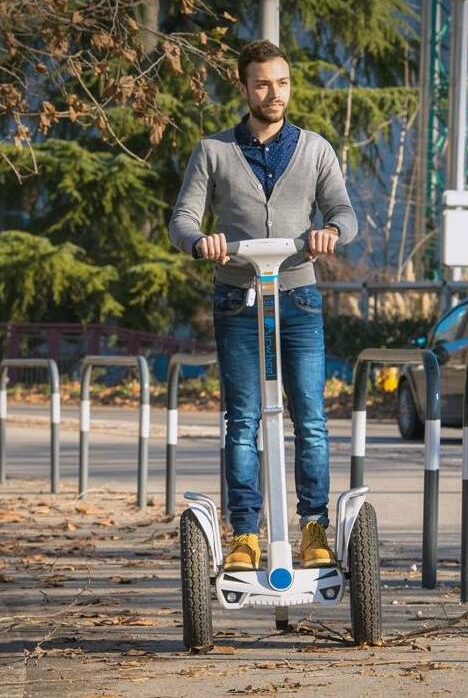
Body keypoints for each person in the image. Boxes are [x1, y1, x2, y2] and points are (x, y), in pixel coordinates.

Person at [168, 39, 357, 572]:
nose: (275, 93)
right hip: (237, 297)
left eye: (283, 82)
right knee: (243, 419)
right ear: (244, 87)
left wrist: (332, 231)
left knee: (311, 418)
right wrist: (200, 241)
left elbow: (344, 210)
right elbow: (183, 217)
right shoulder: (213, 151)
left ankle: (314, 527)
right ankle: (246, 533)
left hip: (297, 294)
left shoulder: (315, 148)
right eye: (263, 84)